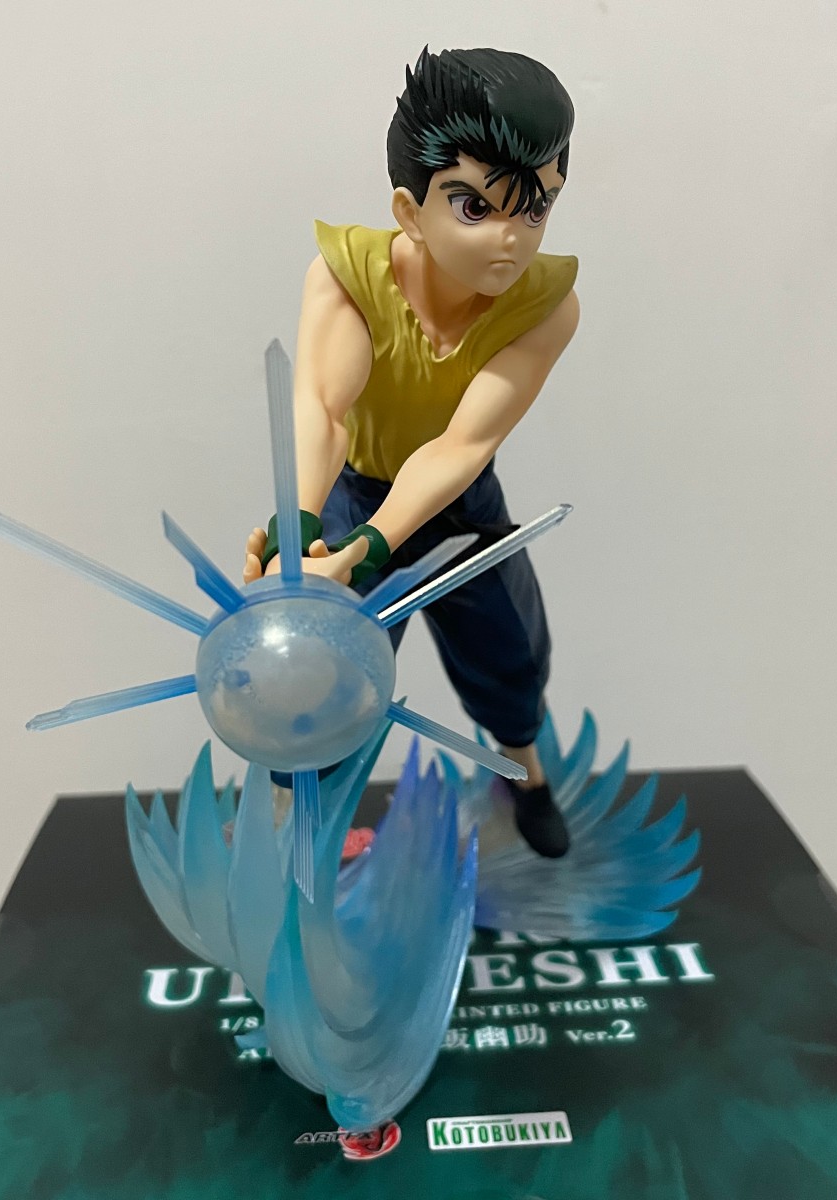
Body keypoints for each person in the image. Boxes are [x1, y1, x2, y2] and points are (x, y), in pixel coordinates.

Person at [244, 47, 580, 858]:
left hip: (463, 509)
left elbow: (464, 444)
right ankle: (296, 818)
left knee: (508, 652)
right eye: (474, 206)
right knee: (317, 668)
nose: (510, 239)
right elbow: (324, 409)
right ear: (410, 208)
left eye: (535, 208)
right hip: (356, 491)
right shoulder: (349, 276)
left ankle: (528, 778)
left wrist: (367, 551)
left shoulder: (546, 306)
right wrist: (299, 531)